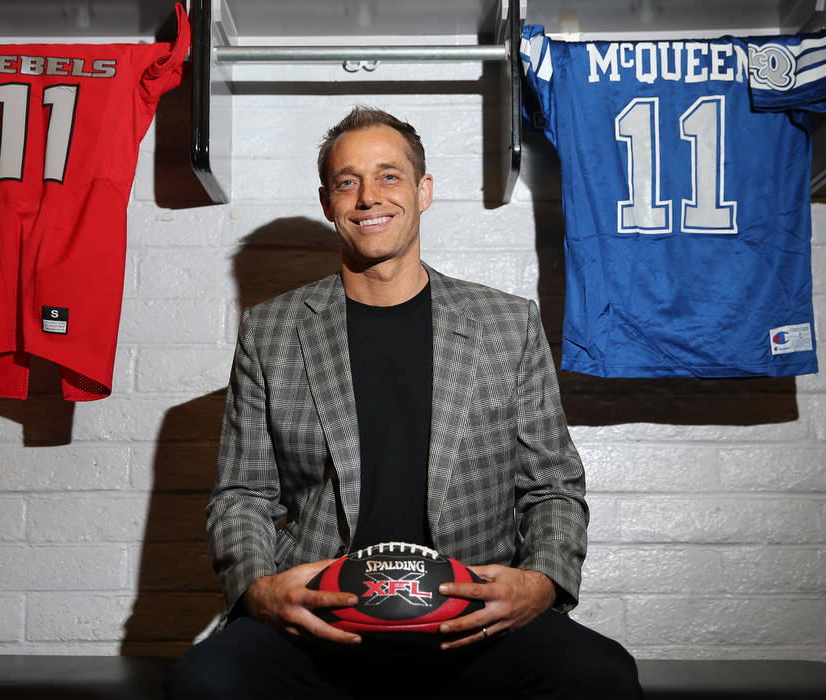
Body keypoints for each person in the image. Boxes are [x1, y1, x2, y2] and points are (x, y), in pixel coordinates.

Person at [165, 107, 642, 699]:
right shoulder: (272, 331)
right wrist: (260, 589)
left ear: (423, 192)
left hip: (471, 622)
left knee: (603, 678)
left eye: (389, 176)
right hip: (325, 622)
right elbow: (242, 496)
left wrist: (541, 581)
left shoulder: (506, 324)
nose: (369, 197)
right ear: (327, 200)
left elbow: (553, 485)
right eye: (348, 181)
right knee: (201, 682)